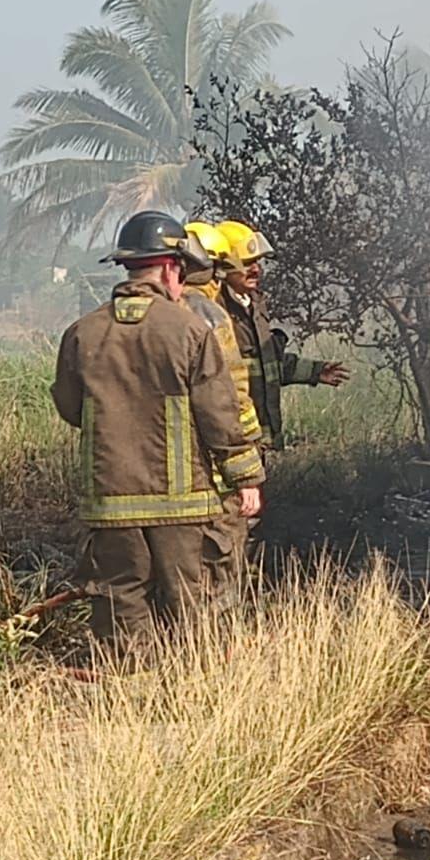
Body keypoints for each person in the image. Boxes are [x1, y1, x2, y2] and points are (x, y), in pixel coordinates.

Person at [51, 211, 264, 648]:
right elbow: (219, 414)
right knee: (190, 607)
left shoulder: (82, 333)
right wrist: (247, 479)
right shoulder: (189, 329)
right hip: (181, 505)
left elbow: (71, 409)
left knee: (120, 603)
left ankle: (131, 693)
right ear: (171, 267)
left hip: (110, 504)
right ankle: (189, 695)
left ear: (129, 266)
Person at [182, 220, 263, 601]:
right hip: (217, 463)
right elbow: (231, 397)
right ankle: (218, 633)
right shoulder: (212, 317)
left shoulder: (159, 311)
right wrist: (248, 461)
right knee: (222, 546)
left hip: (166, 470)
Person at [215, 220, 348, 449]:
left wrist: (314, 372)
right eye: (247, 263)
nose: (256, 269)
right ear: (223, 266)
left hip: (261, 437)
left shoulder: (255, 305)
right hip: (233, 437)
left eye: (257, 261)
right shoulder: (215, 312)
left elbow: (265, 364)